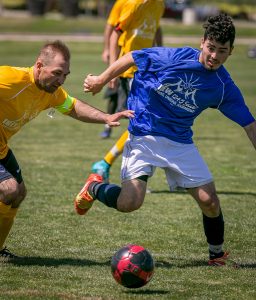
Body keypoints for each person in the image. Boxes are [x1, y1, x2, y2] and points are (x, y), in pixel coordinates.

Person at [76, 14, 256, 266]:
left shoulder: (223, 86)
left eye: (221, 51)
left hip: (179, 141)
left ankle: (216, 254)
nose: (214, 56)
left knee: (210, 201)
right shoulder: (175, 57)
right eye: (211, 48)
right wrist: (101, 80)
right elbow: (132, 57)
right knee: (130, 203)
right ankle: (94, 187)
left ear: (231, 52)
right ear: (202, 42)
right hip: (144, 134)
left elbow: (249, 125)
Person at [0, 40, 134, 259]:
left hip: (2, 148)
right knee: (9, 189)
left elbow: (73, 107)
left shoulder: (50, 92)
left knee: (18, 194)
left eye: (65, 75)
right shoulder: (10, 79)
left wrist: (106, 117)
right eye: (57, 73)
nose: (60, 80)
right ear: (39, 65)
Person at [92, 0, 165, 178]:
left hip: (147, 71)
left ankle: (107, 163)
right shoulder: (134, 4)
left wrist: (163, 57)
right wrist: (112, 71)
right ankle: (127, 172)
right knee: (145, 123)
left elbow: (156, 29)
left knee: (146, 122)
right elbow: (114, 34)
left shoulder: (160, 4)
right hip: (131, 71)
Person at [100, 0, 126, 139]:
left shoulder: (155, 4)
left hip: (137, 57)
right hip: (119, 53)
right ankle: (107, 126)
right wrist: (106, 49)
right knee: (114, 91)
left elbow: (156, 28)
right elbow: (110, 27)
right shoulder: (122, 3)